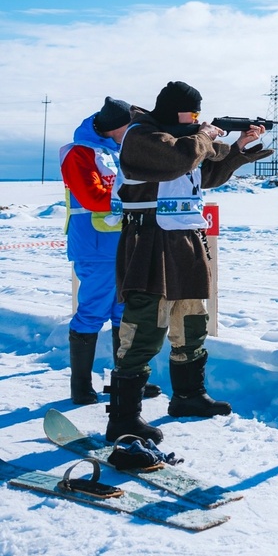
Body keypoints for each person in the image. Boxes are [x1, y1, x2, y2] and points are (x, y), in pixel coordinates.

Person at [108, 81, 271, 443]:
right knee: (144, 329)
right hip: (150, 241)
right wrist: (208, 133)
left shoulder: (182, 141)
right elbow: (179, 158)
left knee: (191, 320)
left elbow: (201, 174)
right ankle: (122, 419)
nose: (196, 119)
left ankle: (188, 397)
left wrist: (238, 150)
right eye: (191, 113)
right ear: (172, 110)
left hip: (185, 240)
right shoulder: (143, 136)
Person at [59, 97, 161, 404]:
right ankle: (80, 387)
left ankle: (125, 383)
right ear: (116, 126)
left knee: (124, 313)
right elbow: (92, 196)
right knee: (91, 313)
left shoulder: (117, 152)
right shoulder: (78, 152)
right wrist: (137, 193)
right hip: (95, 246)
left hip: (125, 244)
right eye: (129, 127)